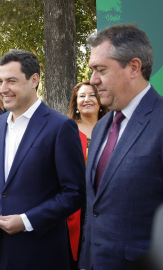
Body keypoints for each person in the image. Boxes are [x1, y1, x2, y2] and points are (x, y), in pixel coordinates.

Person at [0, 49, 85, 269]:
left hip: (42, 253)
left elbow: (75, 193)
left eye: (11, 81)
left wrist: (27, 221)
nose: (3, 88)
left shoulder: (61, 127)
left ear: (34, 80)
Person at [79, 24, 163, 270]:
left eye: (101, 70)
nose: (93, 80)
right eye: (92, 70)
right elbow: (94, 209)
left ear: (134, 67)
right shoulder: (102, 126)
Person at [66, 80, 108, 269]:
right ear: (75, 103)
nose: (87, 99)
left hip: (106, 204)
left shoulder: (112, 128)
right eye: (81, 96)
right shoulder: (67, 130)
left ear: (100, 100)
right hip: (76, 208)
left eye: (92, 95)